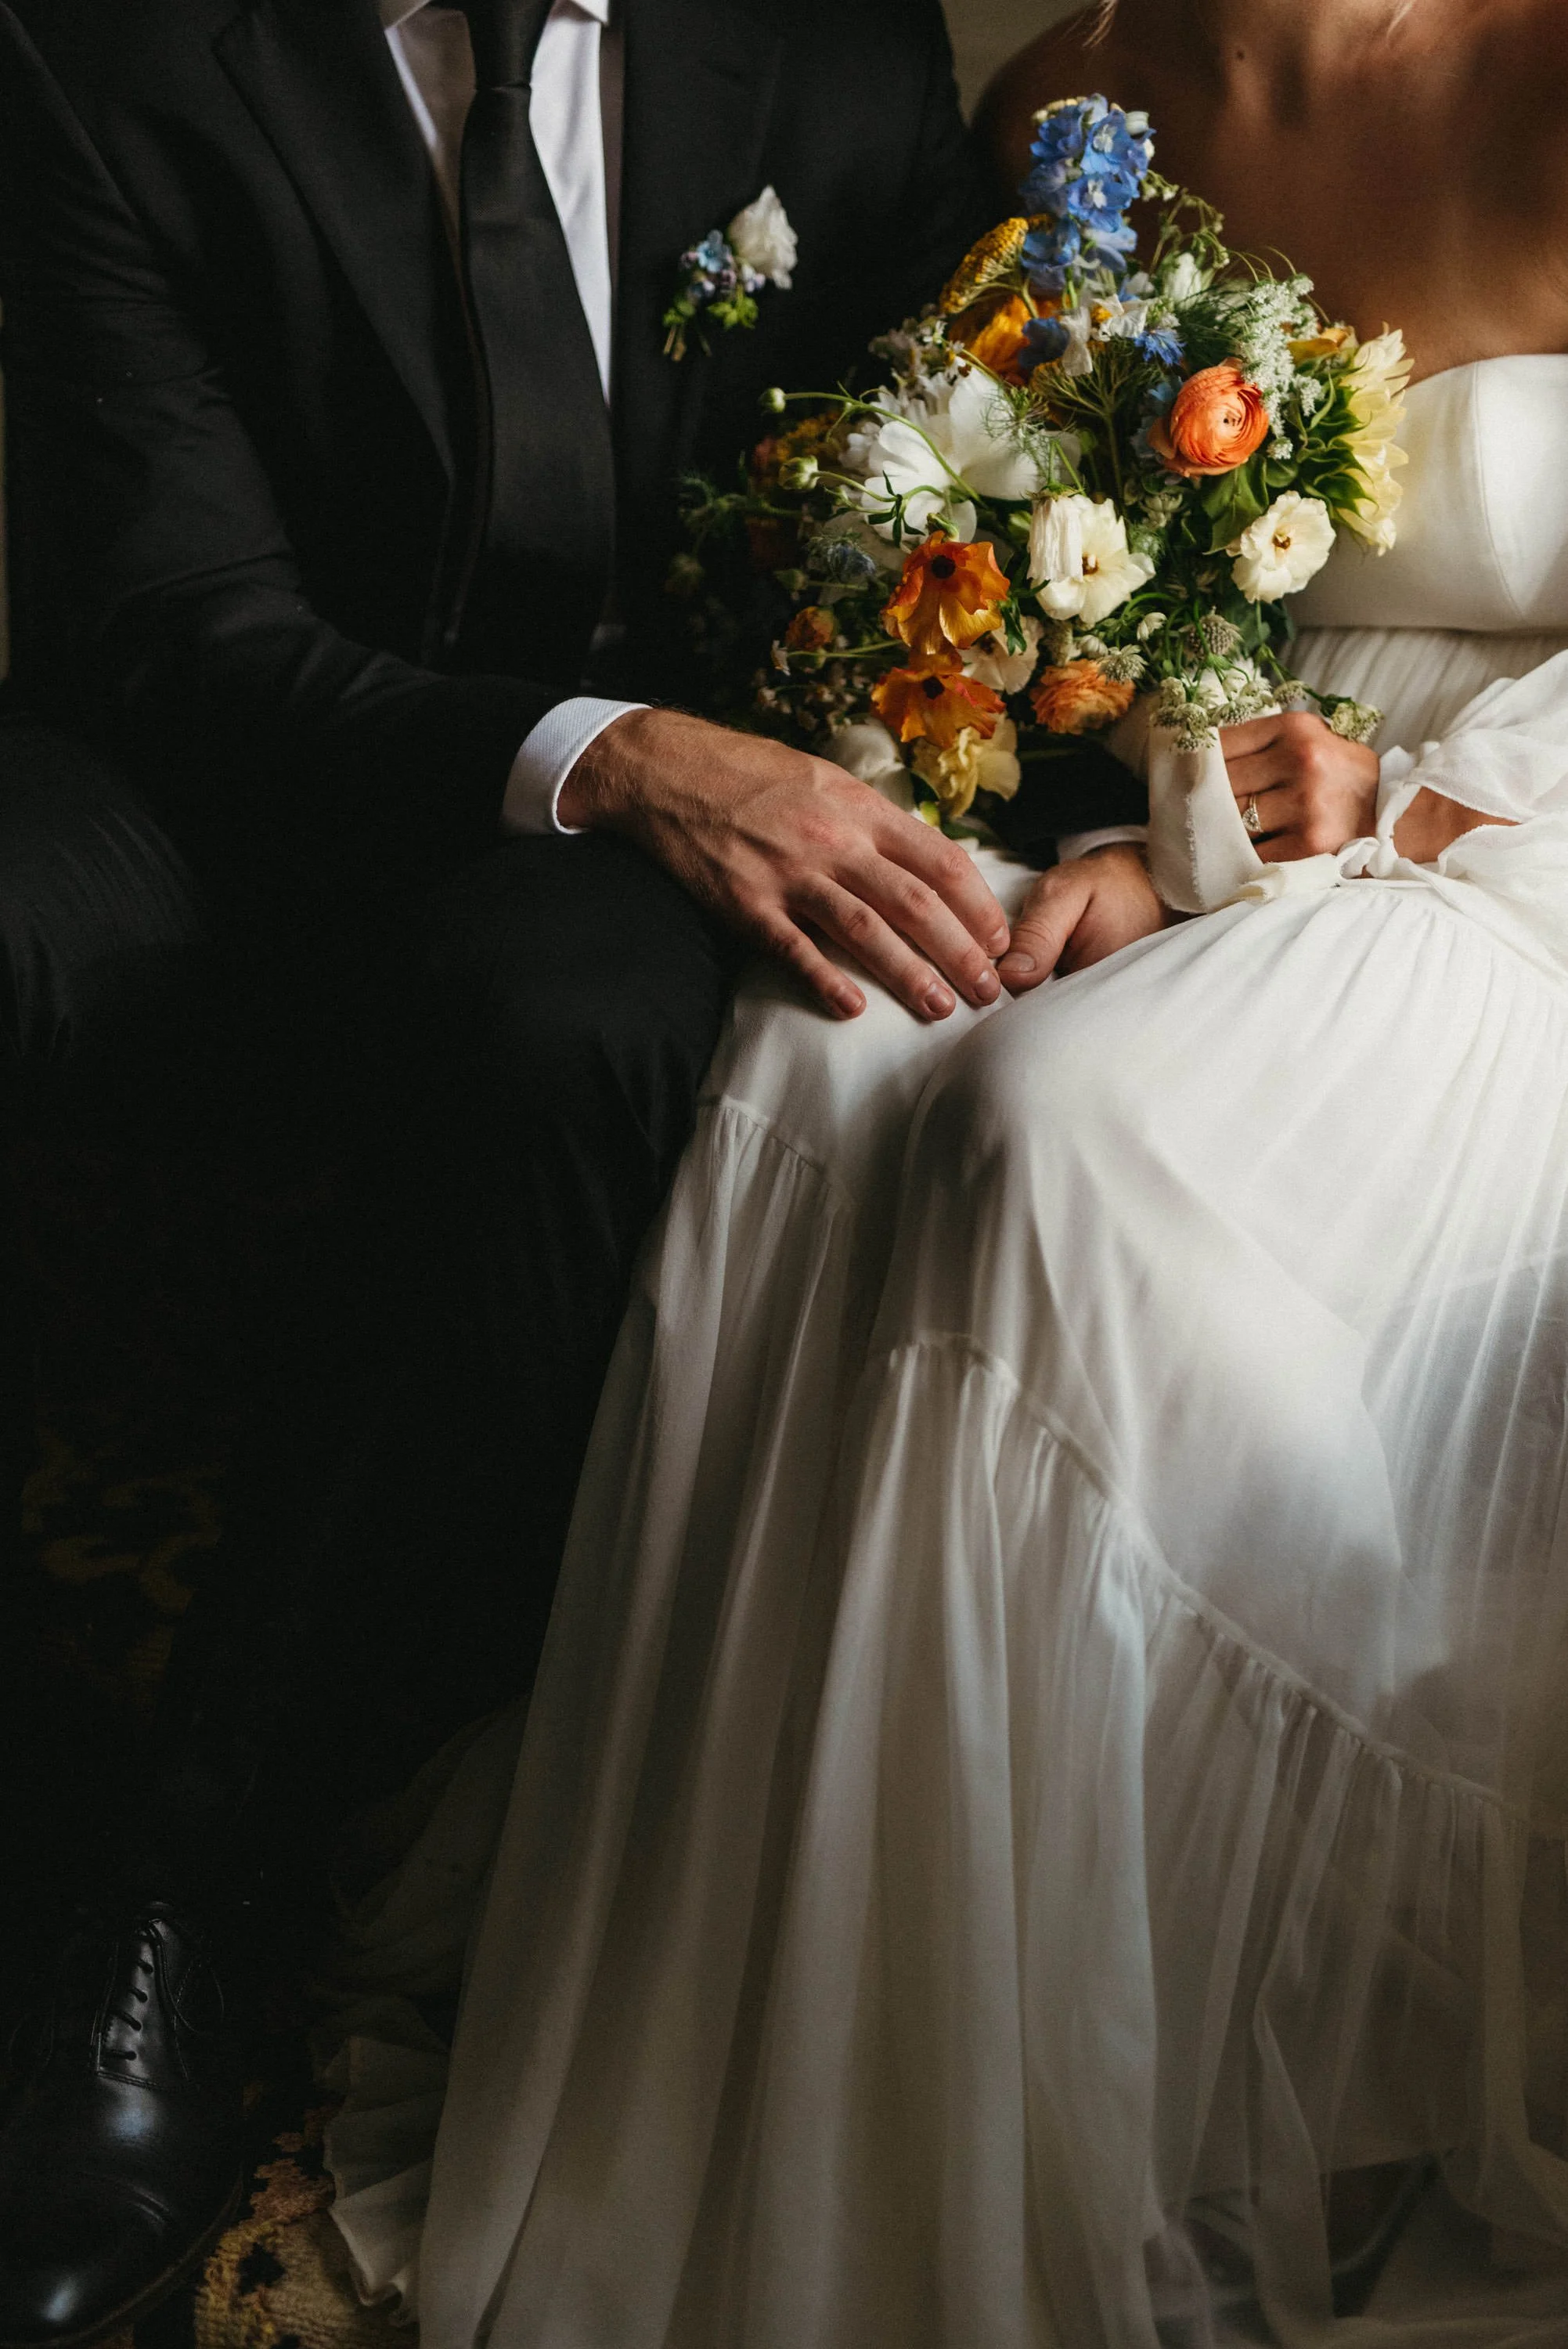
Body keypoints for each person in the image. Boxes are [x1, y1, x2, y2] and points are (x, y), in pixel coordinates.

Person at [317, 0, 1568, 2340]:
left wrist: (1381, 815)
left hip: (1513, 861)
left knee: (1051, 1139)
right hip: (1187, 819)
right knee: (837, 1047)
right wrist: (1108, 783)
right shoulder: (1071, 99)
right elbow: (1062, 575)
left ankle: (1221, 2059)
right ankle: (854, 2093)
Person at [0, 2, 1041, 2339]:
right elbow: (179, 624)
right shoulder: (108, 49)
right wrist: (605, 752)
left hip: (623, 834)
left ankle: (194, 1886)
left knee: (567, 1036)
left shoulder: (827, 35)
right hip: (228, 749)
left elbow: (965, 462)